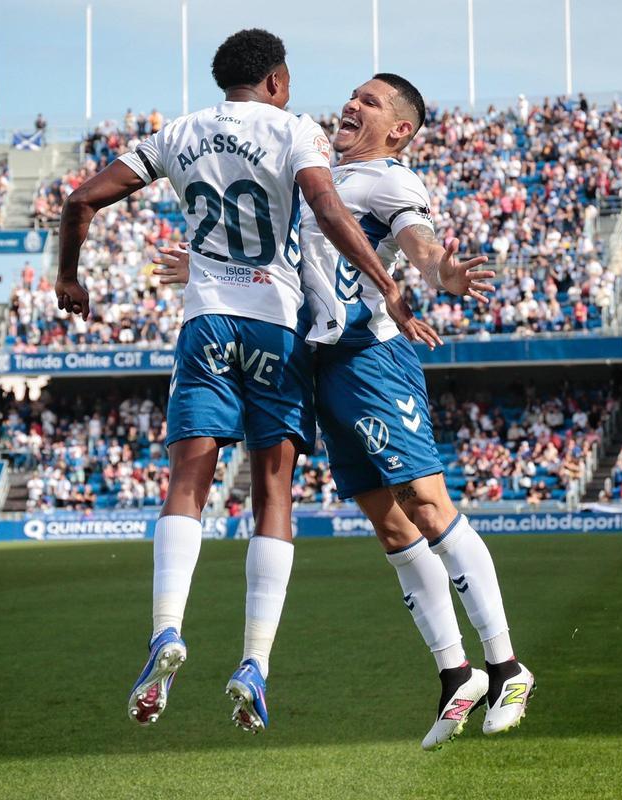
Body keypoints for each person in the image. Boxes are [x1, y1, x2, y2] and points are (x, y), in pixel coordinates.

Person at [54, 29, 438, 734]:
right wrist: (388, 284)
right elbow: (327, 209)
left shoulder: (179, 133)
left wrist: (69, 278)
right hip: (275, 325)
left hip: (207, 320)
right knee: (271, 493)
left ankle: (166, 631)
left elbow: (79, 203)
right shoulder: (295, 131)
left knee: (187, 485)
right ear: (278, 81)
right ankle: (254, 661)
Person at [154, 73, 532, 749]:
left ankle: (507, 666)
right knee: (388, 526)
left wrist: (441, 271)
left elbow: (420, 242)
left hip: (371, 360)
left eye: (371, 102)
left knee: (425, 501)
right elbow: (289, 259)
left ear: (400, 131)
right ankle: (455, 677)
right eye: (353, 96)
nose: (351, 105)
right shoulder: (312, 177)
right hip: (317, 365)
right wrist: (204, 268)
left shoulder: (389, 179)